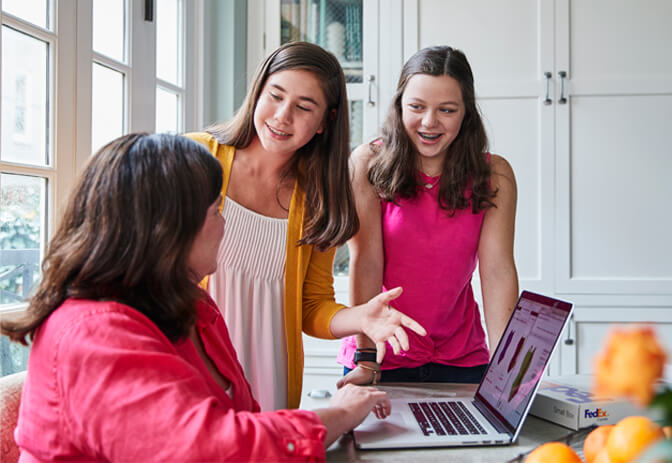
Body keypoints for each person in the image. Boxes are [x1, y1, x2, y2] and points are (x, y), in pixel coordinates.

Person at [0, 133, 392, 462]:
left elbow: (241, 420)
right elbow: (209, 448)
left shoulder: (191, 305)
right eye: (216, 212)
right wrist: (339, 414)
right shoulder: (93, 333)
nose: (225, 228)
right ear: (168, 229)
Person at [185, 41, 425, 411]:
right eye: (275, 96)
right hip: (192, 373)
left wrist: (360, 316)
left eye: (303, 107)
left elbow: (312, 307)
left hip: (270, 384)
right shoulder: (196, 159)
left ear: (324, 122)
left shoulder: (318, 201)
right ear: (257, 92)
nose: (282, 116)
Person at [337, 46, 519, 386]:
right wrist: (366, 358)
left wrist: (506, 373)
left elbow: (497, 271)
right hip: (381, 353)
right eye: (416, 107)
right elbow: (366, 263)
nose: (429, 122)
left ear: (466, 114)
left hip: (461, 357)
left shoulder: (495, 175)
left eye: (446, 110)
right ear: (400, 105)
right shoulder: (367, 165)